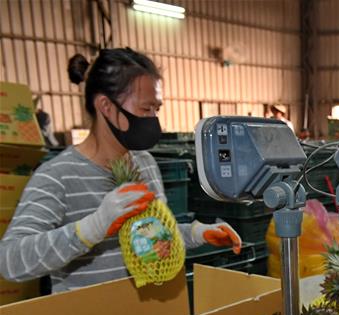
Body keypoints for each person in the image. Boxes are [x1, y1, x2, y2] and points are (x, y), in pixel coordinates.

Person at [0, 48, 241, 293]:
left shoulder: (145, 164)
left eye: (156, 109)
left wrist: (196, 233)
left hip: (148, 307)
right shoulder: (57, 176)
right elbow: (10, 261)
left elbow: (152, 233)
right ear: (106, 106)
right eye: (145, 109)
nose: (154, 119)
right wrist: (92, 228)